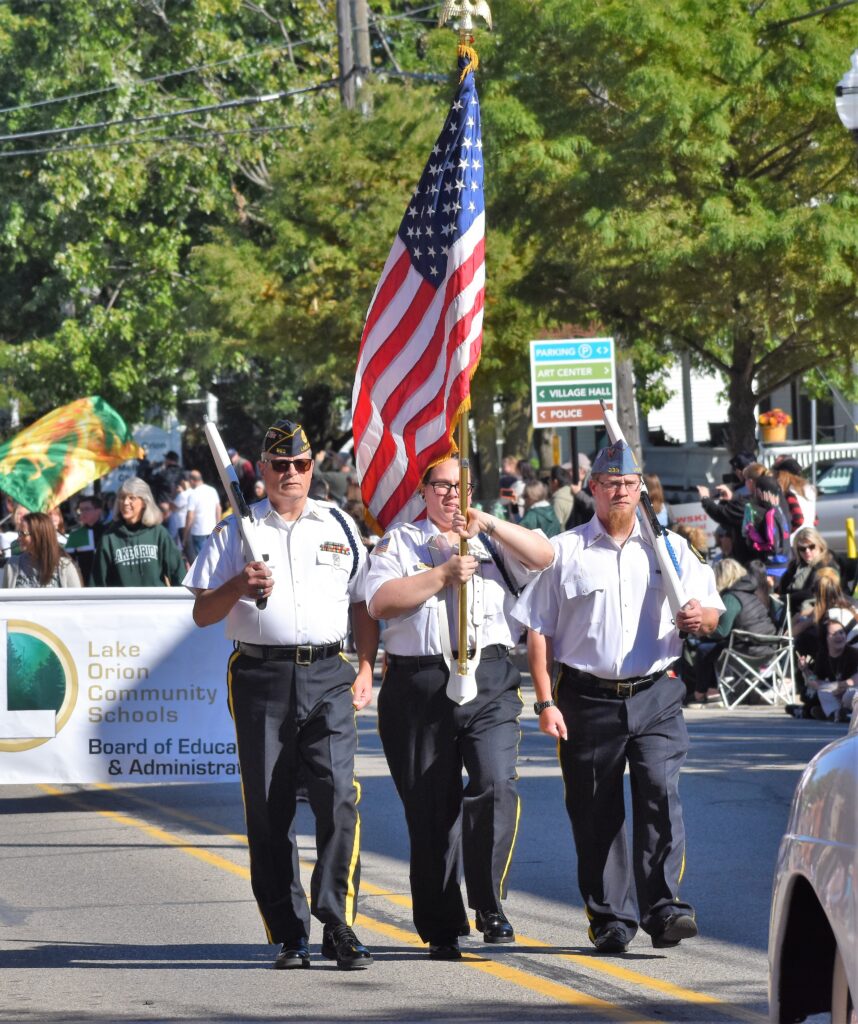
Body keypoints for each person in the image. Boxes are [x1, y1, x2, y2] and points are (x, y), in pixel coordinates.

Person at [513, 439, 723, 955]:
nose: (620, 493)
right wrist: (544, 701)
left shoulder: (669, 548)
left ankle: (664, 906)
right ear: (593, 488)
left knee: (659, 791)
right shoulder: (565, 552)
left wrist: (700, 618)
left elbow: (712, 609)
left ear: (639, 489)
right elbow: (538, 630)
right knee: (594, 808)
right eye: (610, 484)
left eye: (629, 484)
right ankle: (610, 918)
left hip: (655, 692)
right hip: (586, 695)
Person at [184, 418, 378, 972]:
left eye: (301, 464)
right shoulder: (235, 530)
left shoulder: (339, 523)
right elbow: (202, 612)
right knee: (269, 810)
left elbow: (361, 603)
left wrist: (365, 664)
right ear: (262, 471)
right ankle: (288, 931)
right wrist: (237, 586)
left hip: (328, 672)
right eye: (280, 465)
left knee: (340, 797)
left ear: (313, 467)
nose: (291, 474)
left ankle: (338, 923)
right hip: (260, 677)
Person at [366, 456, 554, 960]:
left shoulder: (491, 539)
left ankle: (489, 903)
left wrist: (487, 523)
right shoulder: (401, 542)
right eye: (443, 486)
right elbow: (381, 602)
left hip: (489, 676)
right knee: (431, 811)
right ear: (424, 491)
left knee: (495, 784)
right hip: (419, 682)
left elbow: (545, 556)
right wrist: (442, 573)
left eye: (461, 486)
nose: (453, 495)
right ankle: (442, 923)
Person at [685, 559, 777, 708]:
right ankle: (712, 690)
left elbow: (722, 631)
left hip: (747, 650)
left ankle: (701, 693)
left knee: (704, 650)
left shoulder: (731, 596)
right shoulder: (751, 592)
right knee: (713, 648)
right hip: (770, 649)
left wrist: (701, 632)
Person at [91, 477, 185, 587]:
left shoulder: (158, 533)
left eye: (132, 498)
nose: (125, 502)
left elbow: (178, 574)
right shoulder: (109, 538)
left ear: (144, 502)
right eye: (122, 498)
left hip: (156, 603)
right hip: (122, 603)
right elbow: (97, 582)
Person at [1, 512, 82, 588]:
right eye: (19, 533)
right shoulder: (12, 564)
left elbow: (78, 600)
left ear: (39, 535)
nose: (18, 539)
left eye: (23, 534)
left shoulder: (64, 566)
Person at [778, 527, 837, 610]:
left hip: (815, 610)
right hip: (791, 607)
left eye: (811, 547)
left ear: (820, 545)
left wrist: (786, 598)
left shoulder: (826, 565)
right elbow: (784, 586)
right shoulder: (795, 564)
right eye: (802, 548)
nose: (807, 551)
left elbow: (815, 593)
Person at [65, 495, 108, 584]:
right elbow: (68, 562)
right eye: (81, 510)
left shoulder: (108, 532)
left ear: (98, 511)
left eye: (87, 509)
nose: (82, 513)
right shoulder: (75, 535)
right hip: (85, 583)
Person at [772, 456, 816, 535]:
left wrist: (786, 533)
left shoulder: (789, 492)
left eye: (777, 474)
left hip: (795, 540)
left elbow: (798, 519)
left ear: (783, 474)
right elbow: (815, 519)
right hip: (810, 534)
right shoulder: (809, 489)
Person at [183, 470, 222, 556]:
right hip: (213, 529)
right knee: (214, 556)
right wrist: (218, 527)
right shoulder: (212, 490)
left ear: (192, 481)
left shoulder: (193, 494)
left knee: (202, 559)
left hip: (198, 532)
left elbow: (190, 516)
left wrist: (185, 536)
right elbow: (218, 508)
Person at [548, 465, 574, 531]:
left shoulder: (558, 500)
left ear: (555, 482)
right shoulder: (574, 493)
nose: (548, 483)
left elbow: (555, 528)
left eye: (550, 479)